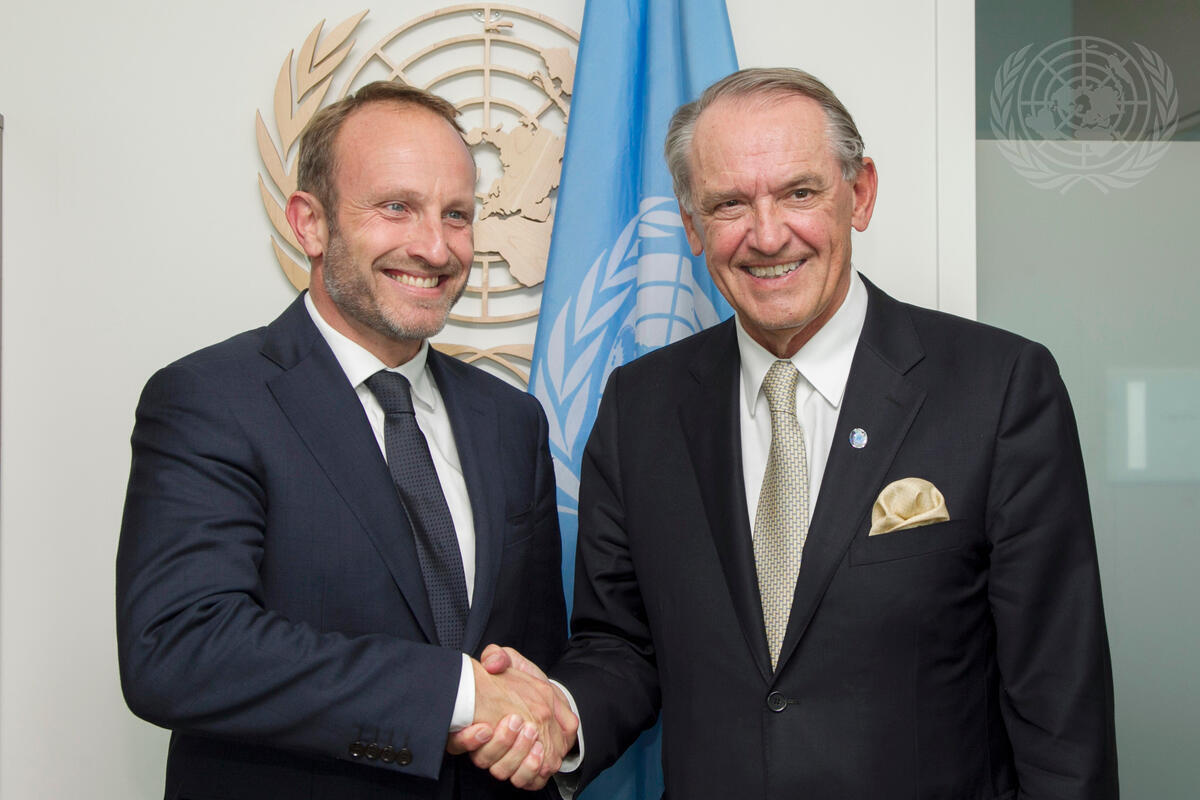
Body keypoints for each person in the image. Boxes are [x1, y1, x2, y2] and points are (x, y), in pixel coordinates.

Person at [462, 67, 1119, 798]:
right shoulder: (638, 408)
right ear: (692, 227)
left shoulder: (999, 389)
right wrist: (564, 714)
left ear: (859, 194)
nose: (768, 235)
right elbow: (622, 644)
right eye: (729, 204)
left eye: (800, 193)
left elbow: (1059, 700)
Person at [116, 81, 576, 799]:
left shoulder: (510, 420)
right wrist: (455, 694)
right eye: (396, 207)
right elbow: (178, 647)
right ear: (311, 223)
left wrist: (539, 725)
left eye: (456, 215)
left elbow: (530, 661)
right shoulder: (210, 400)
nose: (434, 247)